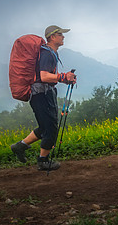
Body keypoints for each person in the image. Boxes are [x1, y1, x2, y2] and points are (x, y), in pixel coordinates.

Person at [10, 25, 77, 171]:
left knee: (46, 126)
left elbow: (51, 76)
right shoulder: (47, 53)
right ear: (52, 37)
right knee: (51, 128)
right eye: (60, 34)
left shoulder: (51, 52)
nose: (63, 37)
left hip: (44, 93)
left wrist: (65, 79)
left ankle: (19, 147)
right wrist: (62, 77)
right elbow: (44, 76)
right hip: (41, 95)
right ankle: (43, 161)